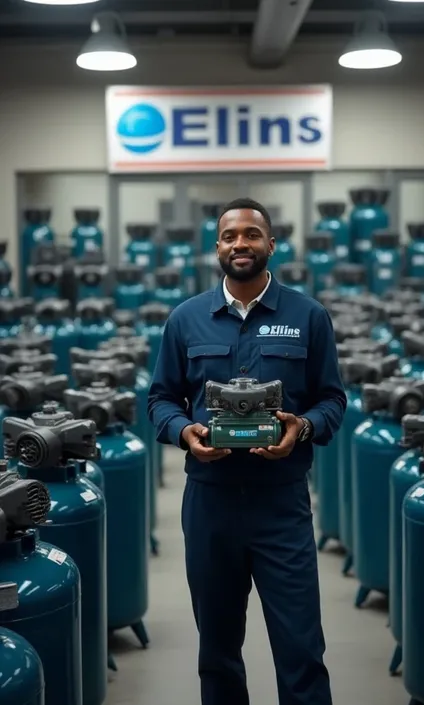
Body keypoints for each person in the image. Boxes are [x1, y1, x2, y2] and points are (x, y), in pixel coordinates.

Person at [148, 197, 347, 705]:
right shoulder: (185, 320)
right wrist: (184, 432)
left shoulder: (309, 316)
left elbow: (333, 400)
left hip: (281, 506)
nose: (241, 244)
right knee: (217, 653)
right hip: (210, 503)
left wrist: (300, 428)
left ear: (271, 245)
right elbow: (161, 399)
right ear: (217, 246)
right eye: (231, 236)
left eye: (252, 235)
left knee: (301, 651)